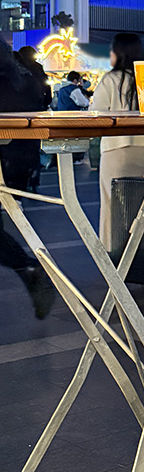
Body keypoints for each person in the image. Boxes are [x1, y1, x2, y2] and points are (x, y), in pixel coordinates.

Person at [0, 40, 55, 319]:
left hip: (8, 158)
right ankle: (29, 270)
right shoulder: (26, 74)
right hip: (21, 158)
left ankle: (30, 269)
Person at [92, 33, 144, 251]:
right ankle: (142, 249)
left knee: (112, 201)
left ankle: (110, 249)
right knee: (142, 203)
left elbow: (96, 112)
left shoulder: (111, 79)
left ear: (118, 53)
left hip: (116, 147)